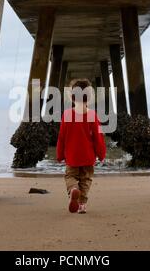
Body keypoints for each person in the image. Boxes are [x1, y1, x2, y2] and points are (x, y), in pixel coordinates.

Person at [56, 79, 106, 214]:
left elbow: (62, 137)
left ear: (72, 97)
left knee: (70, 177)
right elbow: (98, 137)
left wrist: (60, 155)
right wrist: (101, 154)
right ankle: (82, 204)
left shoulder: (67, 114)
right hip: (88, 156)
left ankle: (72, 189)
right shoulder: (92, 115)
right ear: (89, 97)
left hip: (72, 156)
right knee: (86, 180)